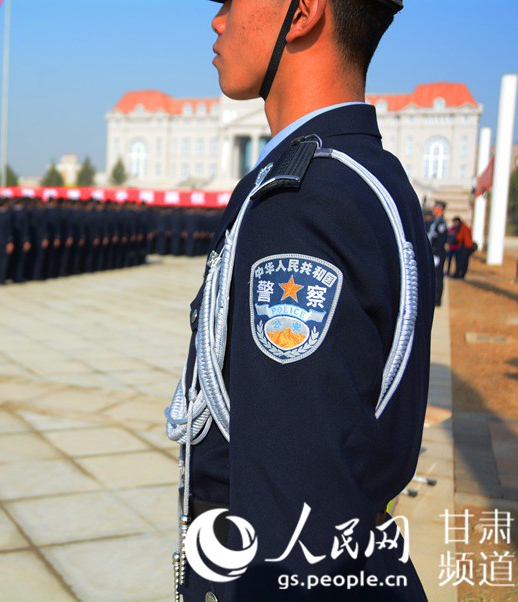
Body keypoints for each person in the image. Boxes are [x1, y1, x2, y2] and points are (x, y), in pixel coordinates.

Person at [164, 1, 434, 600]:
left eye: (231, 2)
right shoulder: (366, 174)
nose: (217, 21)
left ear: (304, 11)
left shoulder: (303, 203)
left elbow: (295, 521)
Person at [428, 201, 448, 306]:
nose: (434, 209)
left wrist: (435, 251)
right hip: (434, 252)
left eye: (436, 208)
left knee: (438, 277)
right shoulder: (435, 221)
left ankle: (437, 299)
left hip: (438, 253)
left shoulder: (441, 223)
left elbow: (441, 240)